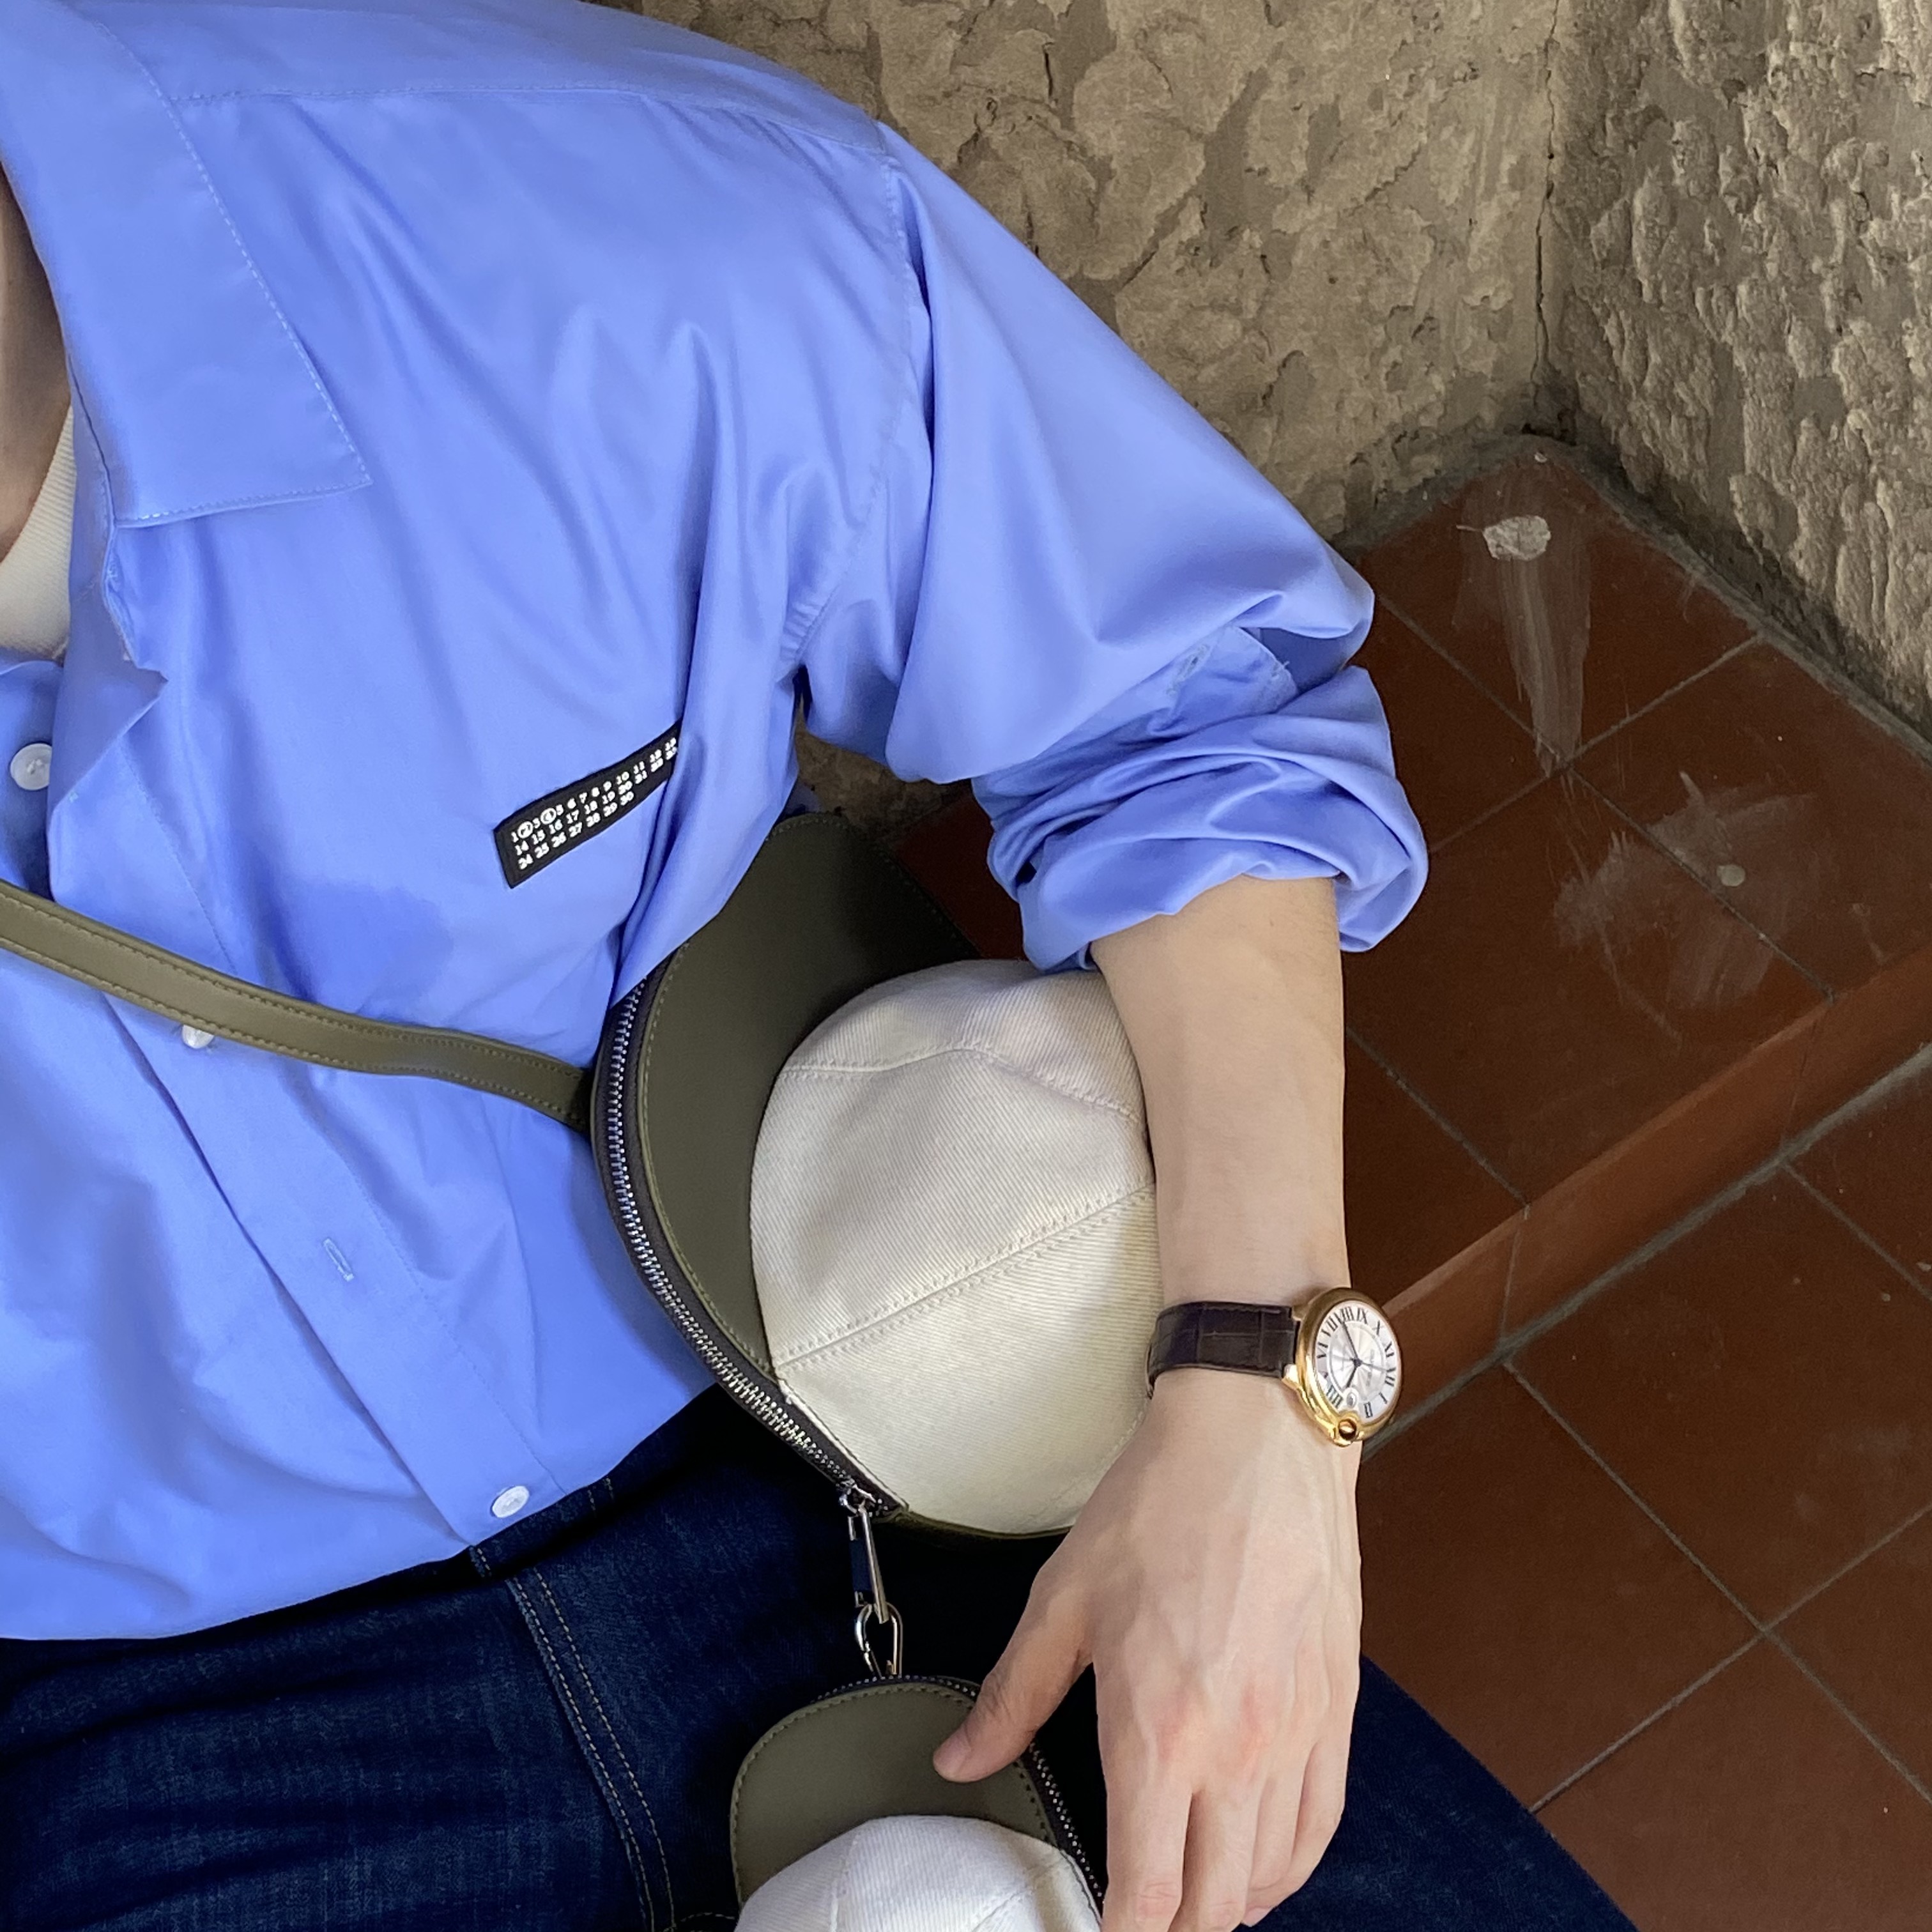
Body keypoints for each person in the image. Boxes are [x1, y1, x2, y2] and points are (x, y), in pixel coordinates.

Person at [0, 3, 1630, 1929]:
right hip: (134, 1702)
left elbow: (1188, 712)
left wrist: (1264, 1400)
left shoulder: (583, 223)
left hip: (835, 1374)